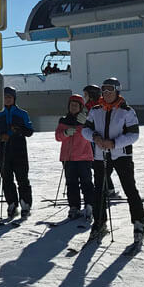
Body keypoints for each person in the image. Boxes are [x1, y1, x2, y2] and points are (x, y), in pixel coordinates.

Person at [81, 77, 144, 246]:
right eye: (104, 90)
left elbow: (134, 134)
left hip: (121, 155)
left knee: (129, 188)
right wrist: (95, 138)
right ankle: (99, 222)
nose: (107, 93)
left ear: (117, 91)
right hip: (100, 154)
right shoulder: (96, 110)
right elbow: (85, 130)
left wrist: (114, 143)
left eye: (110, 90)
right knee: (99, 190)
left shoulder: (126, 111)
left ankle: (138, 222)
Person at [55, 94, 94, 222]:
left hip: (83, 157)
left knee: (86, 183)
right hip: (68, 158)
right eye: (71, 105)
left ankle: (90, 205)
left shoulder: (87, 120)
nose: (73, 107)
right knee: (71, 184)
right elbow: (58, 136)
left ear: (81, 107)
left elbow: (91, 135)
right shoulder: (63, 120)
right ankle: (74, 207)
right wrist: (65, 133)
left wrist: (82, 125)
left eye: (76, 105)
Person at [0, 86, 34, 218]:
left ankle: (25, 203)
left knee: (22, 178)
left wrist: (18, 130)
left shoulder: (22, 113)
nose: (7, 99)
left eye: (9, 97)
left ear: (14, 98)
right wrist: (0, 137)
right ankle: (12, 203)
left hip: (19, 151)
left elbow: (29, 131)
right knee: (6, 179)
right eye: (5, 97)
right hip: (2, 151)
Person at [83, 84, 116, 197]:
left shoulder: (94, 106)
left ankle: (106, 188)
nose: (84, 97)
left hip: (99, 140)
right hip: (92, 139)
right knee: (100, 164)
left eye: (86, 95)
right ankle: (107, 187)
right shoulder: (89, 106)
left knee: (102, 164)